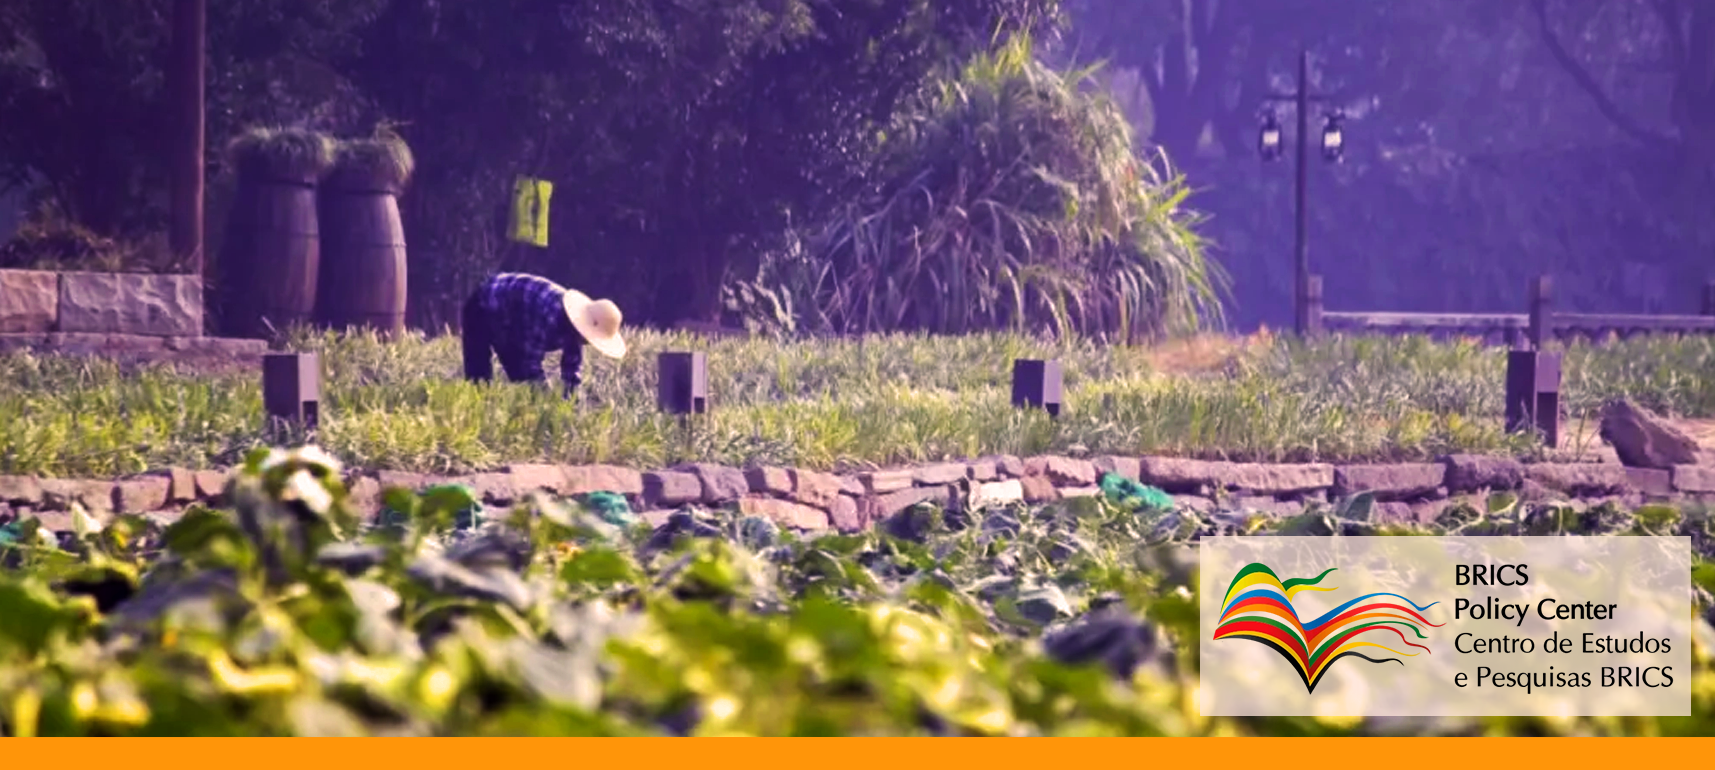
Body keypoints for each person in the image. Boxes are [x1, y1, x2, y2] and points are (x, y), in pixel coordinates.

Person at [461, 273, 627, 399]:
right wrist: (546, 399)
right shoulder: (550, 317)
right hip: (485, 302)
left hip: (515, 318)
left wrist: (571, 399)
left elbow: (572, 368)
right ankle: (477, 408)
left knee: (521, 380)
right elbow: (530, 363)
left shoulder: (573, 327)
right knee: (479, 375)